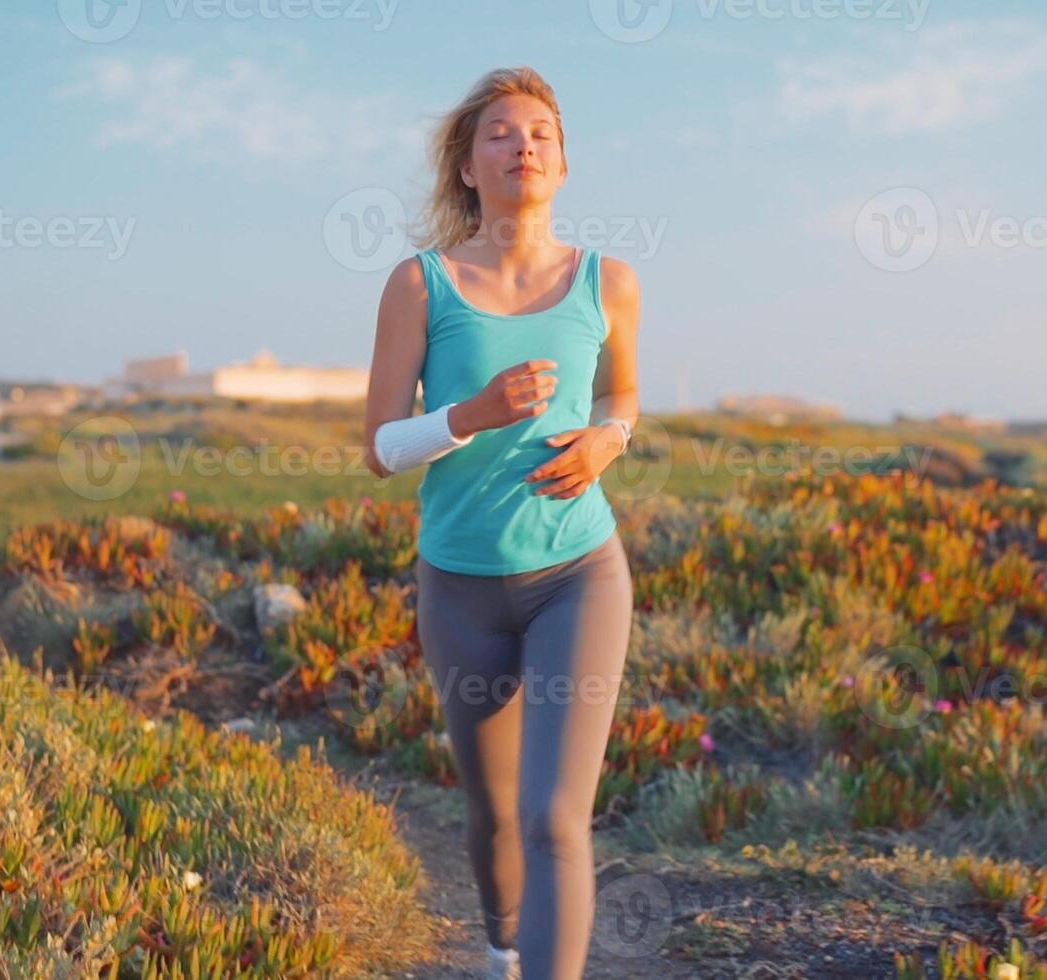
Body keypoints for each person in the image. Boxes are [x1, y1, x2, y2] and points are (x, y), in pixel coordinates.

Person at [362, 66, 642, 980]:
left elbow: (623, 391)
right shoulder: (421, 284)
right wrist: (472, 413)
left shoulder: (610, 281)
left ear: (562, 164)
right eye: (500, 133)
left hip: (578, 574)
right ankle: (500, 949)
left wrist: (610, 438)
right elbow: (379, 447)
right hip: (461, 584)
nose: (524, 144)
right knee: (493, 811)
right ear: (468, 166)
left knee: (555, 815)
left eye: (542, 133)